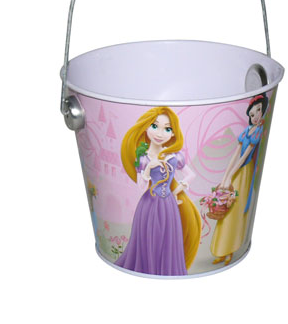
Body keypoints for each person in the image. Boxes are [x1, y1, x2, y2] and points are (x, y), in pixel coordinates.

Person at [115, 107, 201, 276]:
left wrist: (177, 190)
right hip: (148, 204)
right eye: (155, 126)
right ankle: (147, 270)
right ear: (146, 127)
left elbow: (191, 174)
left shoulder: (174, 156)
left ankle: (165, 271)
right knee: (148, 237)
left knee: (168, 239)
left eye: (167, 129)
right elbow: (141, 187)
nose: (160, 133)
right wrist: (148, 168)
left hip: (168, 204)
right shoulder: (142, 157)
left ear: (173, 133)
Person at [210, 93, 268, 265]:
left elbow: (244, 157)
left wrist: (231, 176)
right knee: (226, 209)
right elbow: (235, 154)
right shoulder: (246, 131)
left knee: (235, 209)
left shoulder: (258, 131)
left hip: (244, 173)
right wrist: (225, 177)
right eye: (252, 114)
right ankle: (221, 251)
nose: (255, 116)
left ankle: (231, 251)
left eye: (259, 111)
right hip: (236, 172)